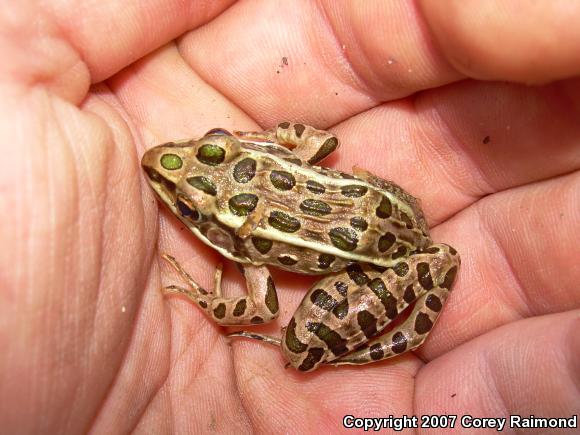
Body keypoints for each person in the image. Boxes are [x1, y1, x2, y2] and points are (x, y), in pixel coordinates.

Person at [1, 1, 578, 432]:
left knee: (298, 346)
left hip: (371, 254)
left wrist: (210, 303)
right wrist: (274, 147)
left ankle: (355, 345)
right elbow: (317, 144)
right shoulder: (278, 155)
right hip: (389, 210)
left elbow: (262, 306)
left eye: (214, 151)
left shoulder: (253, 255)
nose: (168, 162)